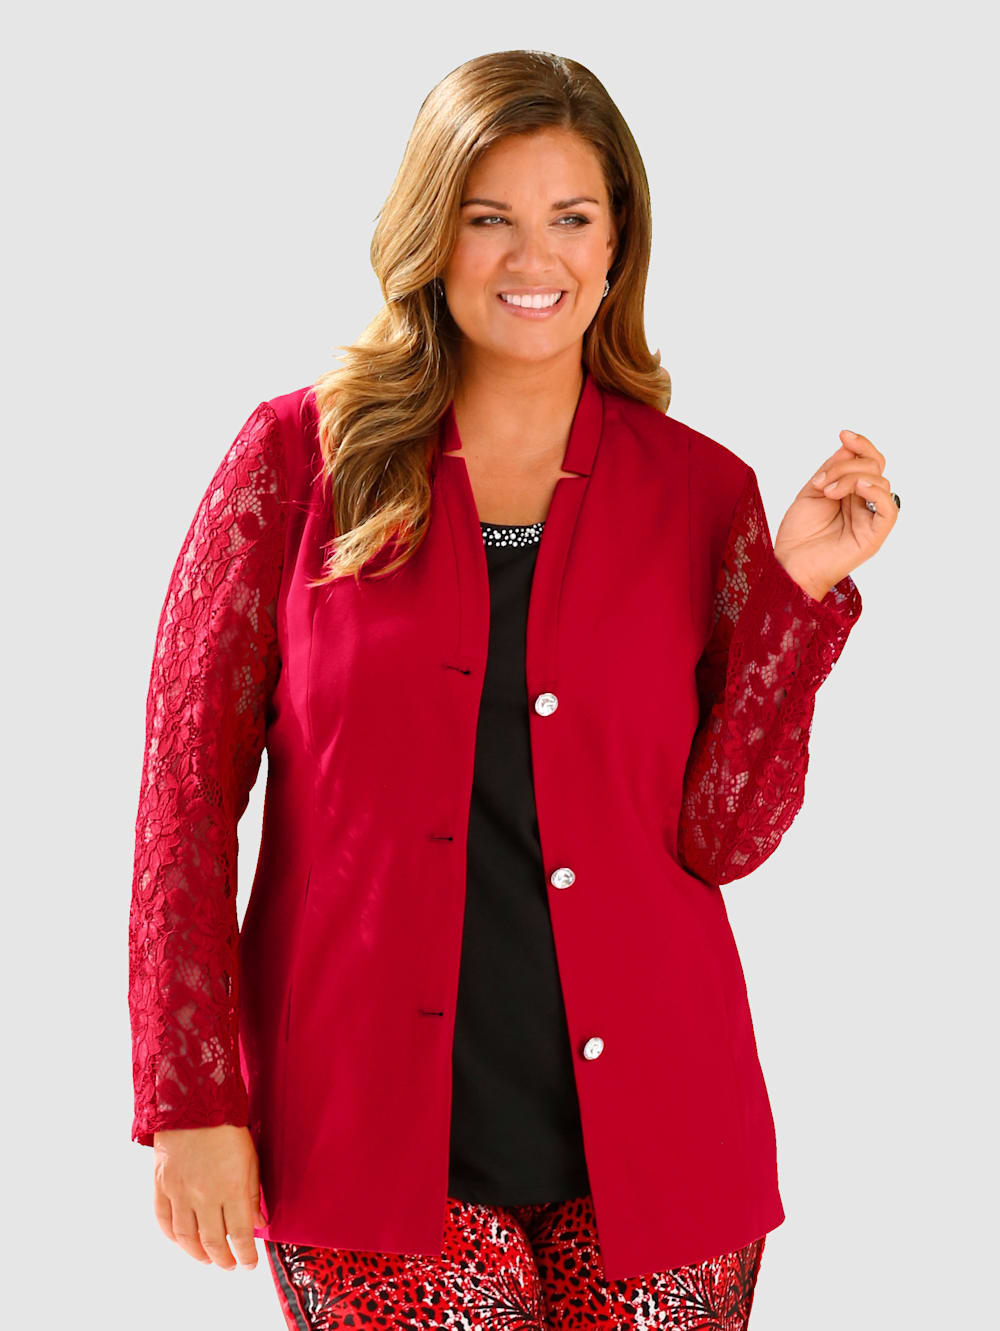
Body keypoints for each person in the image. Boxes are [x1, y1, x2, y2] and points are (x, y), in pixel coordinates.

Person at [128, 49, 899, 1331]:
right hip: (366, 1140)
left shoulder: (701, 492)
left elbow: (724, 836)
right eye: (489, 217)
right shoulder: (296, 461)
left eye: (570, 217)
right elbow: (185, 797)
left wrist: (796, 589)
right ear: (432, 234)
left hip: (658, 1143)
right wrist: (191, 1096)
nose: (531, 256)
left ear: (616, 243)